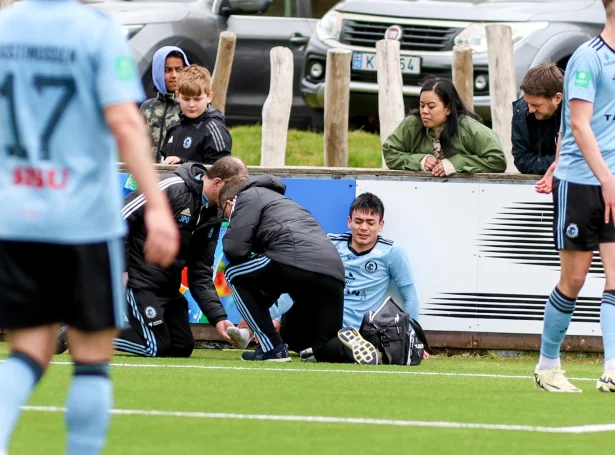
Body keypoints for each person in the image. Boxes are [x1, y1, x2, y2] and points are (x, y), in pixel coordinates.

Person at [0, 1, 180, 454]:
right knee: (92, 361)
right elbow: (123, 120)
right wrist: (157, 206)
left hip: (17, 215)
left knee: (29, 352)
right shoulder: (96, 30)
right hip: (83, 218)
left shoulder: (5, 27)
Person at [229, 193, 422, 361]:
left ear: (381, 225)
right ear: (349, 221)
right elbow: (298, 285)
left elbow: (409, 295)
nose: (363, 228)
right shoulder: (330, 243)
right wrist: (276, 318)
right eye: (358, 221)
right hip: (318, 323)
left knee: (323, 347)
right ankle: (312, 349)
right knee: (298, 298)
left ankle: (335, 349)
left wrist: (410, 338)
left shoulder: (391, 252)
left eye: (370, 223)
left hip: (359, 331)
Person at [533, 0, 615, 393]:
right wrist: (604, 178)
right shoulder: (588, 58)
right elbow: (579, 125)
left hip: (613, 182)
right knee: (575, 279)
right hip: (582, 183)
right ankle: (547, 366)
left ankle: (612, 367)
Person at [219, 176, 378, 364]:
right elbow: (272, 278)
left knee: (234, 273)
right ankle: (371, 349)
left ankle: (272, 348)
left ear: (230, 202)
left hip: (293, 260)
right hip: (333, 271)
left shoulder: (247, 195)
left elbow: (234, 249)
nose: (228, 218)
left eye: (225, 213)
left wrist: (252, 311)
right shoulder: (285, 202)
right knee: (323, 347)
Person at [111, 158, 247, 358]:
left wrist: (219, 318)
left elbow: (200, 272)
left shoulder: (214, 215)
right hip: (138, 281)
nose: (233, 199)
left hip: (168, 289)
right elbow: (118, 219)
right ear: (217, 182)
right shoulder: (170, 187)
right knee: (155, 346)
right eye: (233, 192)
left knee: (182, 346)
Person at [383, 77, 506, 176]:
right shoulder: (411, 124)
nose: (424, 111)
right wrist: (420, 161)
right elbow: (390, 152)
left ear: (448, 109)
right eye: (421, 105)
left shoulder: (468, 127)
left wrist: (457, 163)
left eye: (431, 106)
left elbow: (497, 160)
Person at [160, 64, 232, 165]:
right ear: (177, 96)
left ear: (209, 97)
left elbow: (220, 170)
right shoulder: (174, 127)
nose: (191, 105)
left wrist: (182, 163)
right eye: (186, 99)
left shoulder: (214, 129)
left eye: (197, 99)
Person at [140, 46, 190, 162]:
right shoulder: (147, 108)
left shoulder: (191, 107)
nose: (174, 75)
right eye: (167, 70)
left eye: (179, 70)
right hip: (149, 173)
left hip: (178, 175)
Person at [512, 63, 563, 174]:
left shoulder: (579, 108)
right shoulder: (521, 111)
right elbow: (522, 160)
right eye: (527, 102)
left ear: (557, 98)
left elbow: (581, 158)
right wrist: (559, 162)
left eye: (536, 105)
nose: (530, 109)